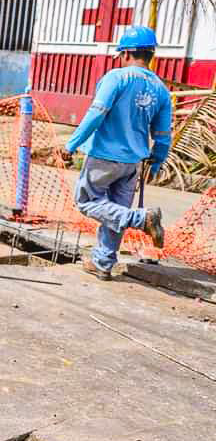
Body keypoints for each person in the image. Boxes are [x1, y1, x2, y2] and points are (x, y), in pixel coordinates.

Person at [60, 25, 170, 280]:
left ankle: (141, 219)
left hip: (104, 156)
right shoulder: (161, 89)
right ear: (150, 54)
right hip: (133, 163)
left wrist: (71, 144)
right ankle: (103, 263)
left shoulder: (116, 77)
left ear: (126, 53)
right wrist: (157, 162)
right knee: (114, 211)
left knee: (87, 202)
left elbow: (96, 113)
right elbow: (163, 135)